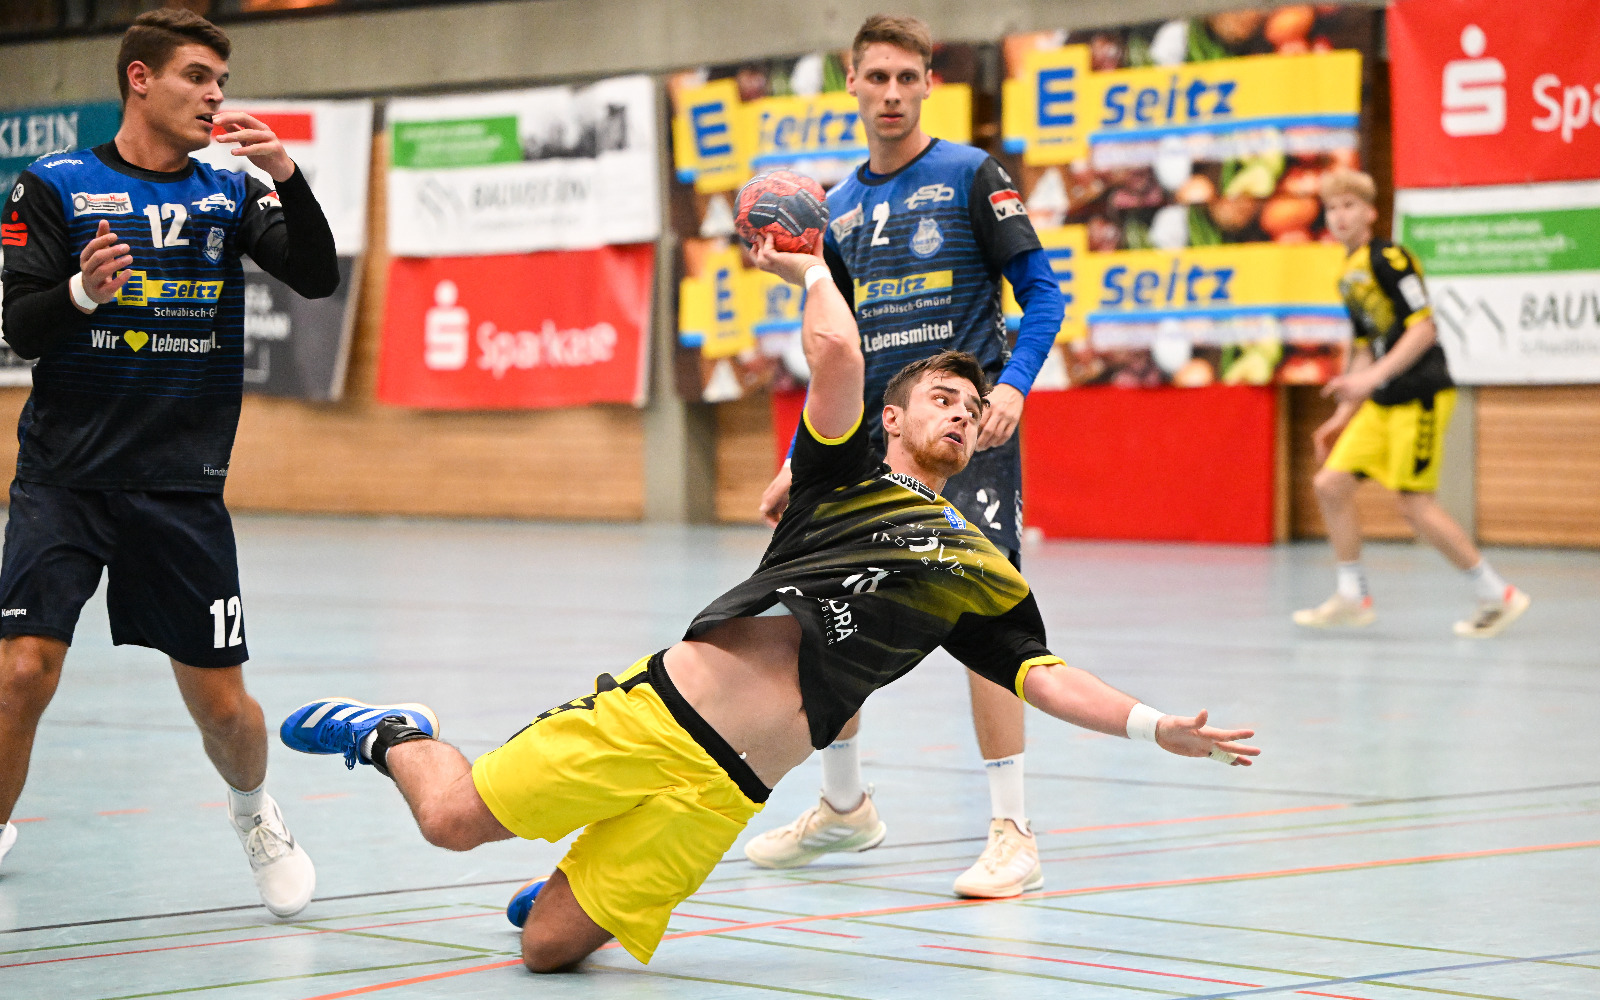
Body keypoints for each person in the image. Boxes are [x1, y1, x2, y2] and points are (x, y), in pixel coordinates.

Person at [279, 233, 1258, 973]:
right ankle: (395, 731)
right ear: (892, 419)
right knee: (450, 819)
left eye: (972, 408)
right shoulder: (842, 477)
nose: (961, 413)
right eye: (941, 400)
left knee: (546, 952)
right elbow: (834, 355)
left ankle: (569, 885)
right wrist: (809, 269)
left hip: (726, 793)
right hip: (655, 718)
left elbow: (1042, 676)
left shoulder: (977, 567)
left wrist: (1152, 726)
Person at [0, 9, 339, 914]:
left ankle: (255, 810)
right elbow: (21, 326)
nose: (215, 96)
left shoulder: (230, 191)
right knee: (21, 672)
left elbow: (316, 276)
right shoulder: (53, 185)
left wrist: (287, 176)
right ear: (140, 79)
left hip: (180, 487)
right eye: (197, 77)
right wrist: (81, 292)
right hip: (64, 479)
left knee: (223, 708)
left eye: (222, 81)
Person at [748, 14, 1067, 899]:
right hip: (868, 441)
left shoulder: (970, 174)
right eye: (877, 77)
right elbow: (835, 350)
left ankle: (1013, 833)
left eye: (906, 78)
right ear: (851, 82)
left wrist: (1012, 388)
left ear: (929, 83)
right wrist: (798, 458)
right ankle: (844, 808)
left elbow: (1043, 294)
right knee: (829, 606)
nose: (891, 93)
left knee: (986, 622)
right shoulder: (836, 208)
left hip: (963, 435)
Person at [1296, 169, 1528, 637]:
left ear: (1370, 212)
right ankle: (1352, 596)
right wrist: (1343, 413)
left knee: (1415, 505)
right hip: (1383, 401)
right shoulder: (1348, 273)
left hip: (1421, 394)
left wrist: (1373, 378)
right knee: (1330, 484)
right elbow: (1365, 346)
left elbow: (1423, 329)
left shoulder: (1390, 258)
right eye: (1332, 208)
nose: (1340, 216)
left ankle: (1497, 595)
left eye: (1349, 206)